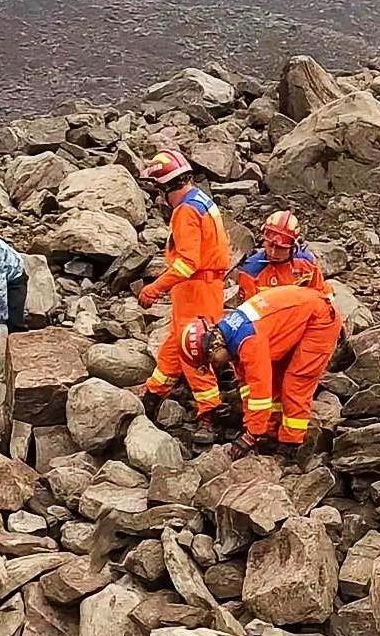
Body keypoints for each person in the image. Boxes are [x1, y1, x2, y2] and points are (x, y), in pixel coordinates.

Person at [181, 285, 342, 458]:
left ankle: (291, 444)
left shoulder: (249, 341)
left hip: (320, 320)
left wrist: (251, 436)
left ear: (213, 346)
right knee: (276, 378)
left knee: (295, 384)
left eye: (211, 361)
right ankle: (272, 430)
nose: (215, 366)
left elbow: (260, 394)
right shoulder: (231, 335)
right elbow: (247, 385)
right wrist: (252, 426)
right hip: (299, 317)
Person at [138, 151, 232, 426]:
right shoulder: (202, 201)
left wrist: (154, 289)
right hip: (206, 287)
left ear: (167, 187)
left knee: (194, 346)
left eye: (159, 190)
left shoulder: (186, 211)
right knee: (176, 342)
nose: (159, 198)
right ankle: (154, 394)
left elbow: (186, 264)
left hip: (196, 289)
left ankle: (209, 411)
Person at [236, 211, 330, 299]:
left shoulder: (307, 262)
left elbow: (321, 293)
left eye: (281, 248)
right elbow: (248, 310)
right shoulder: (251, 271)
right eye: (270, 245)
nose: (273, 252)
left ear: (293, 246)